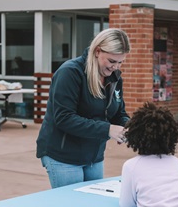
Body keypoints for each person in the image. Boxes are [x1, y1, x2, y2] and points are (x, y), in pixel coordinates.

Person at [36, 28, 131, 188]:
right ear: (97, 51)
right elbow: (64, 118)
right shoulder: (70, 73)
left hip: (94, 155)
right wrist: (108, 130)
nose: (116, 67)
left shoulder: (114, 78)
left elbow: (118, 112)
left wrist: (128, 126)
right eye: (111, 61)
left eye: (120, 62)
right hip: (63, 156)